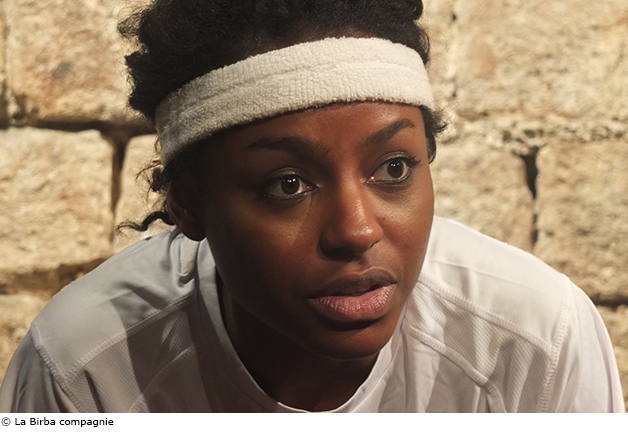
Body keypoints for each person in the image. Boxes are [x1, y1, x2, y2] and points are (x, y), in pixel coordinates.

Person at [0, 0, 623, 412]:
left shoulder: (537, 340)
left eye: (394, 169)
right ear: (187, 204)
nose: (356, 230)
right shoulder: (83, 372)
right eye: (288, 185)